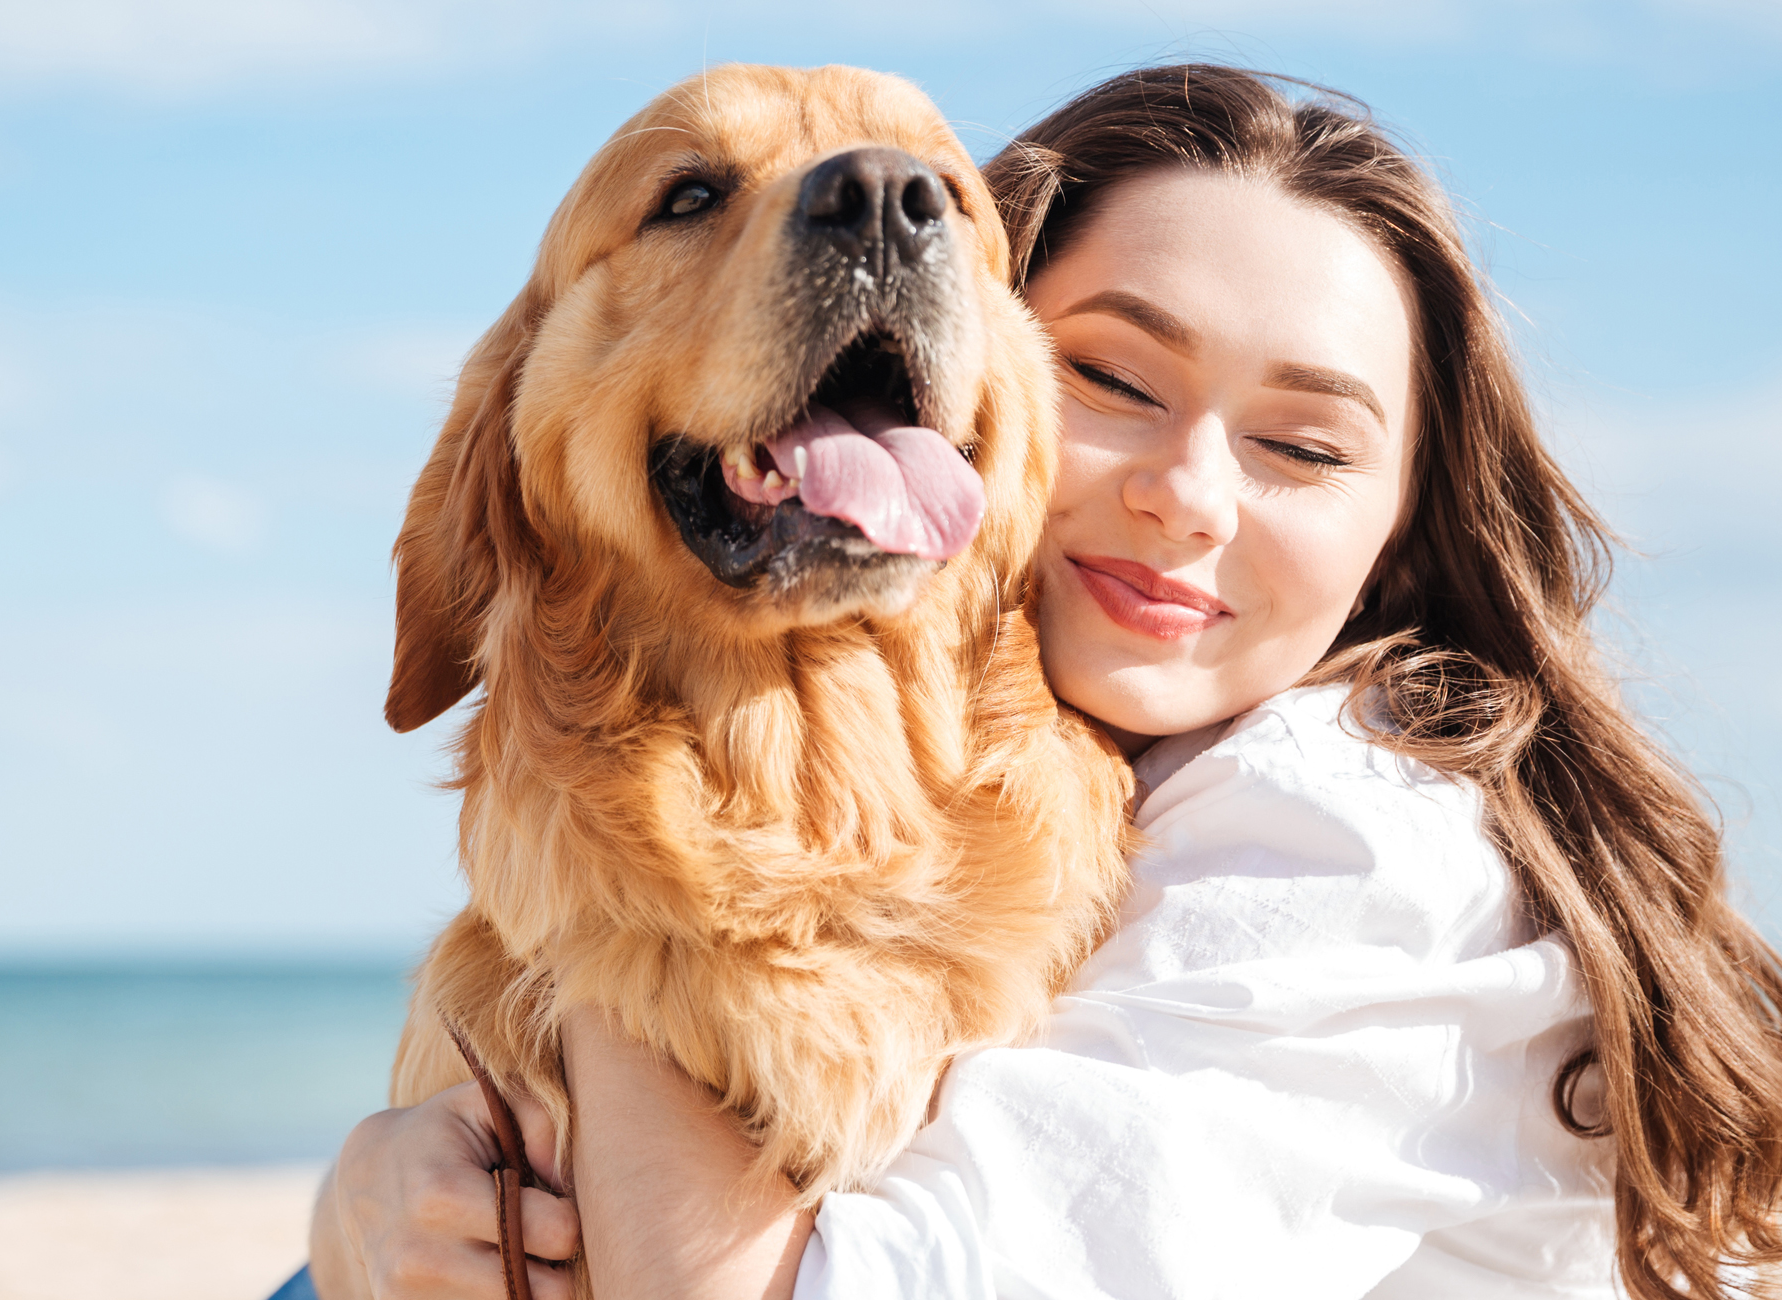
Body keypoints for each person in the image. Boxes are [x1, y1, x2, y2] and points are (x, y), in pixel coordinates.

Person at [302, 64, 1782, 1300]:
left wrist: (596, 913)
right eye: (1118, 382)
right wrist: (352, 1223)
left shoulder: (1344, 829)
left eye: (1306, 448)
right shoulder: (1140, 771)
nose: (1192, 495)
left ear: (1401, 537)